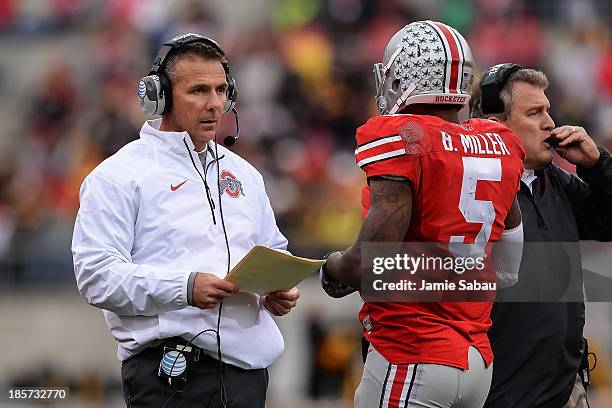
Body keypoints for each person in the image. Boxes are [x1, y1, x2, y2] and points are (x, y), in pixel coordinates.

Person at [71, 33, 300, 408]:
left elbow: (272, 248)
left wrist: (277, 288)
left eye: (222, 90)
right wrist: (184, 287)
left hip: (248, 376)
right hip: (169, 375)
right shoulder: (116, 176)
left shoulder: (245, 174)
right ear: (159, 96)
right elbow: (96, 276)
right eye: (198, 90)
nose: (214, 104)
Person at [320, 21, 525, 408]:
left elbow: (370, 261)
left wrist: (332, 270)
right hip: (477, 359)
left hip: (413, 350)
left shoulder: (402, 135)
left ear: (405, 76)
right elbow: (511, 264)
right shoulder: (498, 141)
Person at [470, 64, 612, 408]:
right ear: (495, 124)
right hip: (502, 392)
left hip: (564, 388)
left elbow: (607, 224)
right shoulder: (472, 187)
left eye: (547, 110)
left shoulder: (554, 180)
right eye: (534, 113)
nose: (550, 123)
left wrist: (597, 166)